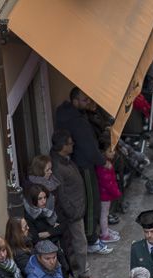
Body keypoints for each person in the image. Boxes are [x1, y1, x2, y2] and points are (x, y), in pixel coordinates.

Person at [52, 87, 104, 252]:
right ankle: (92, 238)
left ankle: (92, 235)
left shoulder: (68, 115)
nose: (88, 102)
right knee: (91, 199)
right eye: (84, 100)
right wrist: (101, 160)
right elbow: (88, 145)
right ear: (75, 101)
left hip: (80, 163)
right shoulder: (77, 121)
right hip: (85, 164)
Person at [53, 128, 109, 277]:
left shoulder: (65, 160)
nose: (73, 146)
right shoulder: (58, 166)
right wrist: (71, 210)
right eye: (70, 144)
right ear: (63, 146)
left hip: (76, 207)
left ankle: (77, 263)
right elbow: (61, 193)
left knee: (75, 241)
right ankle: (84, 273)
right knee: (80, 242)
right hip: (73, 211)